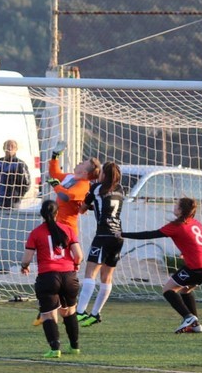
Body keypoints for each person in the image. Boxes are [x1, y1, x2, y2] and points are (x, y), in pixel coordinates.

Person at [121, 197, 202, 334]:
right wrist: (188, 250)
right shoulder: (195, 223)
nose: (174, 207)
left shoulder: (176, 226)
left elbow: (150, 234)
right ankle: (195, 325)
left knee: (168, 290)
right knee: (185, 290)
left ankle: (188, 317)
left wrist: (123, 234)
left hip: (197, 266)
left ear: (181, 210)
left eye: (176, 205)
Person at [33, 147, 100, 325]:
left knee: (65, 268)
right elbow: (55, 173)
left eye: (83, 163)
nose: (80, 162)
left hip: (66, 231)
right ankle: (48, 305)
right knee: (49, 263)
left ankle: (68, 307)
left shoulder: (83, 185)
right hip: (53, 226)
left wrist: (56, 185)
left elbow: (66, 196)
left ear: (85, 172)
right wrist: (55, 157)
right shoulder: (71, 177)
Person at [21, 199, 84, 358]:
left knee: (48, 314)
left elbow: (27, 258)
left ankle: (55, 349)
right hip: (69, 276)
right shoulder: (68, 230)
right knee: (69, 311)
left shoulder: (36, 233)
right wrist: (76, 265)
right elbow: (79, 255)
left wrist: (24, 266)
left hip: (48, 277)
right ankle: (74, 347)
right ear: (57, 213)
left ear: (42, 214)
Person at [76, 162, 124, 326]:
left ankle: (80, 311)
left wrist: (86, 205)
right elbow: (105, 205)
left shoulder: (96, 188)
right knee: (106, 277)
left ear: (104, 174)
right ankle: (95, 313)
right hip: (118, 236)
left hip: (103, 235)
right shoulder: (120, 189)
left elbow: (81, 209)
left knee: (90, 273)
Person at [0, 139, 31, 209]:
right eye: (7, 146)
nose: (9, 148)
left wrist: (17, 197)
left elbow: (26, 184)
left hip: (12, 203)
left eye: (12, 146)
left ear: (16, 149)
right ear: (3, 148)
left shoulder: (20, 164)